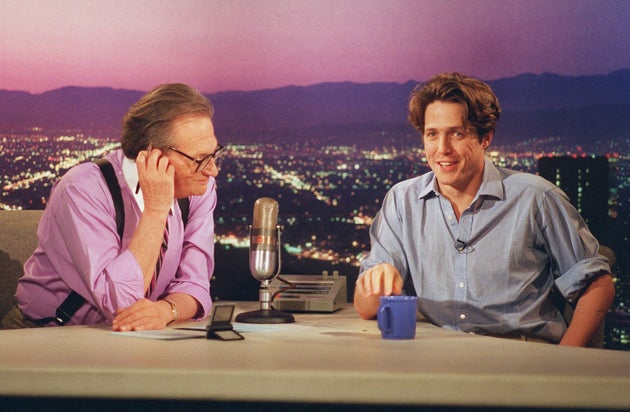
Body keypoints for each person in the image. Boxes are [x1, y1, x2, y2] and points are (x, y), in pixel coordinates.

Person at [355, 73, 615, 347]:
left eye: (457, 133)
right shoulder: (402, 200)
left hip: (521, 356)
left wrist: (566, 360)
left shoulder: (536, 197)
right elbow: (365, 307)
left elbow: (597, 286)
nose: (442, 149)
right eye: (432, 134)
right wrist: (378, 281)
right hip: (437, 357)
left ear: (485, 137)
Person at [1, 83, 222, 331]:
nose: (212, 170)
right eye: (201, 159)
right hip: (46, 331)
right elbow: (119, 301)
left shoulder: (198, 189)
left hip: (131, 335)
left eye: (214, 154)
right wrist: (156, 210)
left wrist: (166, 310)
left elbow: (196, 284)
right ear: (153, 157)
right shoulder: (83, 189)